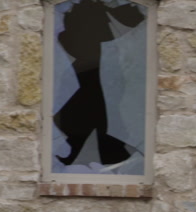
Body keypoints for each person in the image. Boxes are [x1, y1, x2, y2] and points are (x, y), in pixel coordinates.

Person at [53, 0, 146, 168]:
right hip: (92, 69)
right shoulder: (81, 14)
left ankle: (113, 157)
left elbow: (135, 18)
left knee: (95, 115)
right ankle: (113, 158)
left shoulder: (98, 14)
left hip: (101, 68)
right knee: (91, 115)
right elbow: (71, 42)